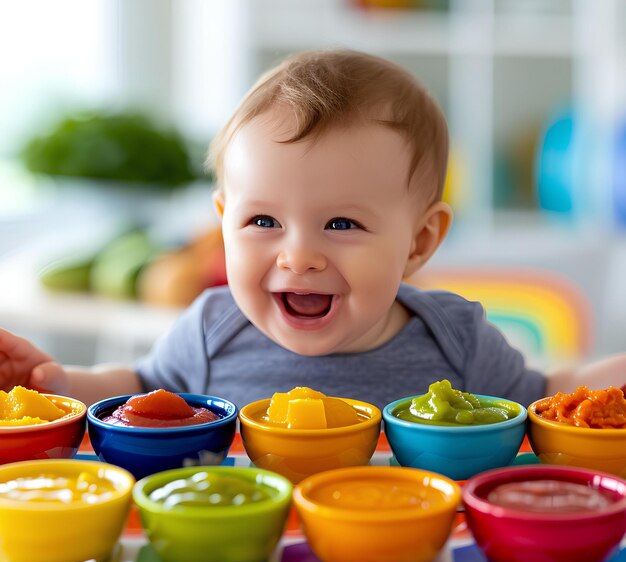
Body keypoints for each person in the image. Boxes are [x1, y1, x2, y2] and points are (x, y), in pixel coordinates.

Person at [1, 50, 624, 410]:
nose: (298, 256)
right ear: (224, 226)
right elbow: (135, 390)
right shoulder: (211, 331)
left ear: (419, 242)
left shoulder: (455, 341)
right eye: (263, 221)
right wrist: (57, 384)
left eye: (343, 223)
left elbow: (550, 395)